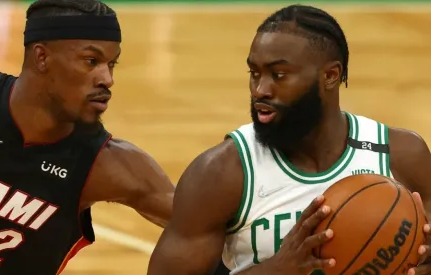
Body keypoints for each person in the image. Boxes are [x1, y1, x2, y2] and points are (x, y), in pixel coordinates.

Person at [147, 4, 431, 275]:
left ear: (330, 76)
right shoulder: (222, 172)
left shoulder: (400, 155)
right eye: (254, 73)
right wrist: (276, 269)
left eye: (278, 75)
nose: (260, 90)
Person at [0, 0, 175, 274]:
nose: (107, 79)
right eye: (92, 61)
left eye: (111, 64)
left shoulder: (108, 166)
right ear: (42, 58)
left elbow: (201, 232)